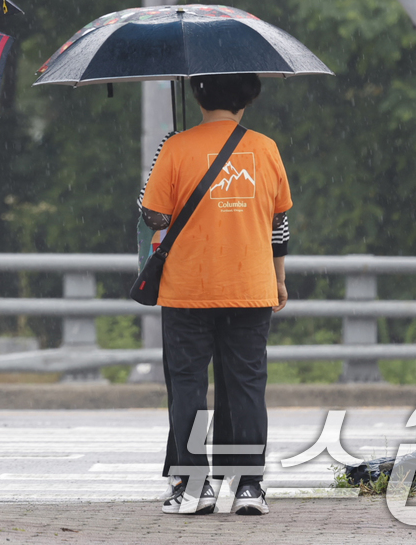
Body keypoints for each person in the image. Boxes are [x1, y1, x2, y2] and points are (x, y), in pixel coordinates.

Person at [138, 73, 290, 517]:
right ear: (246, 99)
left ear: (197, 95)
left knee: (188, 386)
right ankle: (248, 486)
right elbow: (279, 223)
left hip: (188, 289)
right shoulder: (265, 148)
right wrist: (279, 279)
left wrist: (160, 165)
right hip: (251, 287)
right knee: (246, 386)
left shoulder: (176, 147)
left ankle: (194, 485)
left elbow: (152, 215)